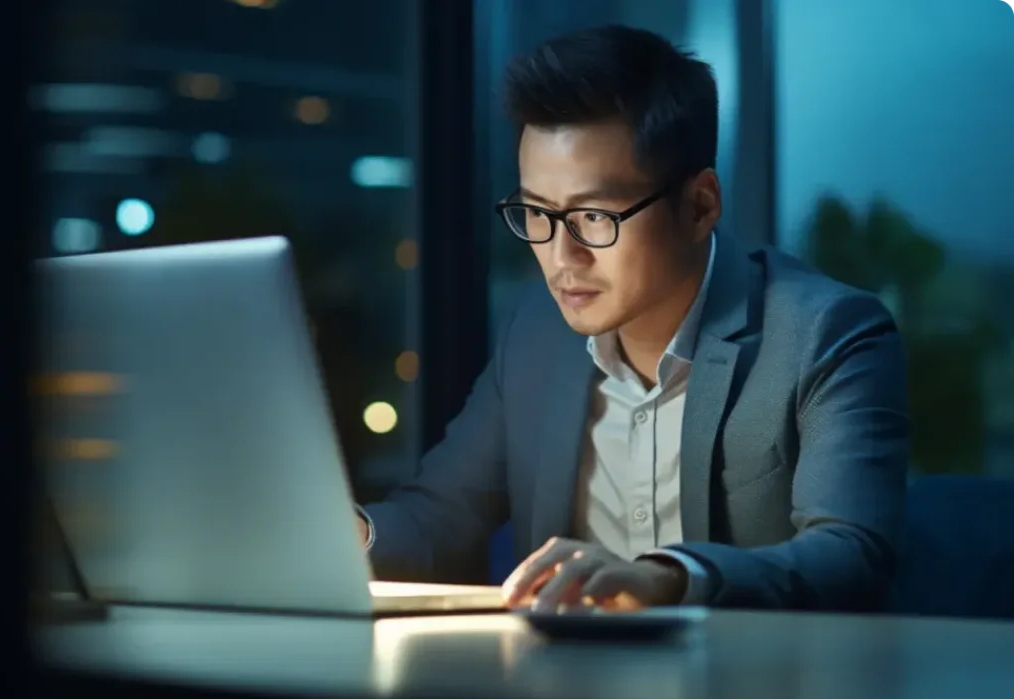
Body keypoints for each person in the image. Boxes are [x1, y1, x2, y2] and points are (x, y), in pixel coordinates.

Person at [356, 25, 908, 613]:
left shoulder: (828, 332)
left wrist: (670, 576)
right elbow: (438, 518)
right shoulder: (537, 335)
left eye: (594, 216)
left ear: (699, 207)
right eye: (535, 213)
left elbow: (851, 554)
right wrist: (344, 535)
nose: (562, 259)